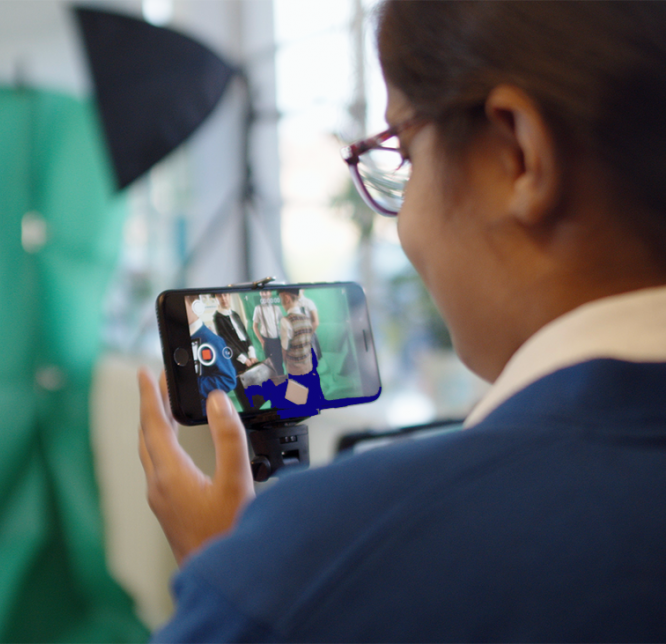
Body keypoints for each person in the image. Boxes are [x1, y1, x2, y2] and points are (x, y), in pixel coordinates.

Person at [138, 0, 666, 640]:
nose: (404, 221)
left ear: (517, 154)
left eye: (406, 155)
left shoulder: (317, 560)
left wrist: (239, 579)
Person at [186, 295, 238, 406]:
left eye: (182, 305)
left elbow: (228, 379)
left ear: (195, 306)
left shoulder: (211, 340)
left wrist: (191, 387)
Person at [212, 293, 257, 410]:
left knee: (255, 389)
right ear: (217, 298)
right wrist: (244, 358)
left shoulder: (235, 314)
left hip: (246, 353)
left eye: (226, 295)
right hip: (236, 358)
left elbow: (245, 335)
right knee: (243, 390)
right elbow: (226, 342)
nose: (224, 298)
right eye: (220, 296)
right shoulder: (218, 318)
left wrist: (251, 353)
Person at [278, 290, 316, 377]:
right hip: (308, 365)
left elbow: (284, 349)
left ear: (287, 298)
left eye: (281, 298)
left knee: (296, 391)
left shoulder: (286, 320)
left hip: (295, 369)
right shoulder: (306, 318)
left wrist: (284, 364)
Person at [252, 290, 283, 374]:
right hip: (267, 340)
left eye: (266, 292)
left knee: (279, 364)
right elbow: (254, 326)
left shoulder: (276, 308)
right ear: (260, 293)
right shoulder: (258, 308)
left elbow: (283, 322)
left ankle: (283, 383)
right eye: (262, 292)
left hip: (277, 340)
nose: (264, 294)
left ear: (270, 293)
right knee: (270, 365)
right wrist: (261, 340)